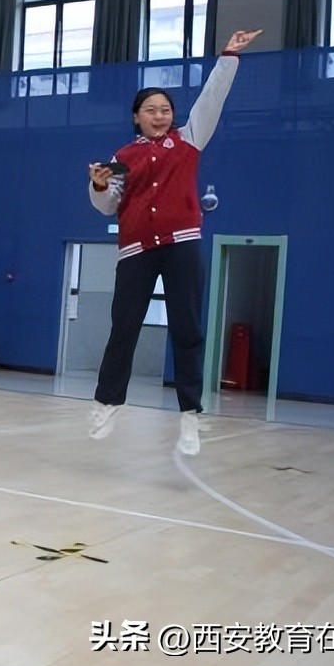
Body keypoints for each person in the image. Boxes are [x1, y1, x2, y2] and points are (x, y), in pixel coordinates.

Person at [87, 28, 262, 457]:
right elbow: (108, 207)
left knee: (187, 328)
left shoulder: (189, 139)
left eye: (165, 109)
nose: (160, 115)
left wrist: (229, 57)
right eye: (151, 110)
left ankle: (189, 415)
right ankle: (107, 402)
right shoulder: (122, 157)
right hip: (135, 251)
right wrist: (98, 185)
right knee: (124, 327)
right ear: (136, 117)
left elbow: (212, 98)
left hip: (181, 244)